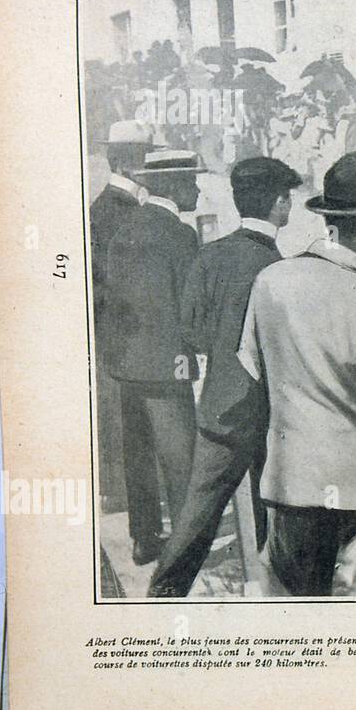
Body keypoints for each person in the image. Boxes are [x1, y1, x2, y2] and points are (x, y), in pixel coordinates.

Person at [237, 151, 356, 596]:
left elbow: (251, 365)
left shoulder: (270, 280)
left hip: (291, 484)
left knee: (296, 608)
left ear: (329, 219)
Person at [148, 157, 303, 598]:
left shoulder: (210, 254)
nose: (289, 203)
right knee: (273, 507)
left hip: (219, 408)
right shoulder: (278, 267)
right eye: (287, 196)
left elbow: (191, 329)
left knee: (199, 512)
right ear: (277, 205)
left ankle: (162, 592)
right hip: (269, 413)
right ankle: (275, 593)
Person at [107, 149, 205, 566]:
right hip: (169, 364)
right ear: (176, 185)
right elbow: (190, 307)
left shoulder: (124, 228)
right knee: (180, 456)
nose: (198, 188)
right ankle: (186, 546)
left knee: (139, 455)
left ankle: (144, 538)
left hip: (127, 363)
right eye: (193, 181)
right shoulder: (180, 235)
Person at [90, 121, 152, 514]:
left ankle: (125, 494)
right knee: (128, 418)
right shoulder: (120, 211)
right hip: (124, 333)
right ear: (132, 164)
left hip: (114, 331)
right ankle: (128, 497)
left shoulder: (104, 206)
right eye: (146, 158)